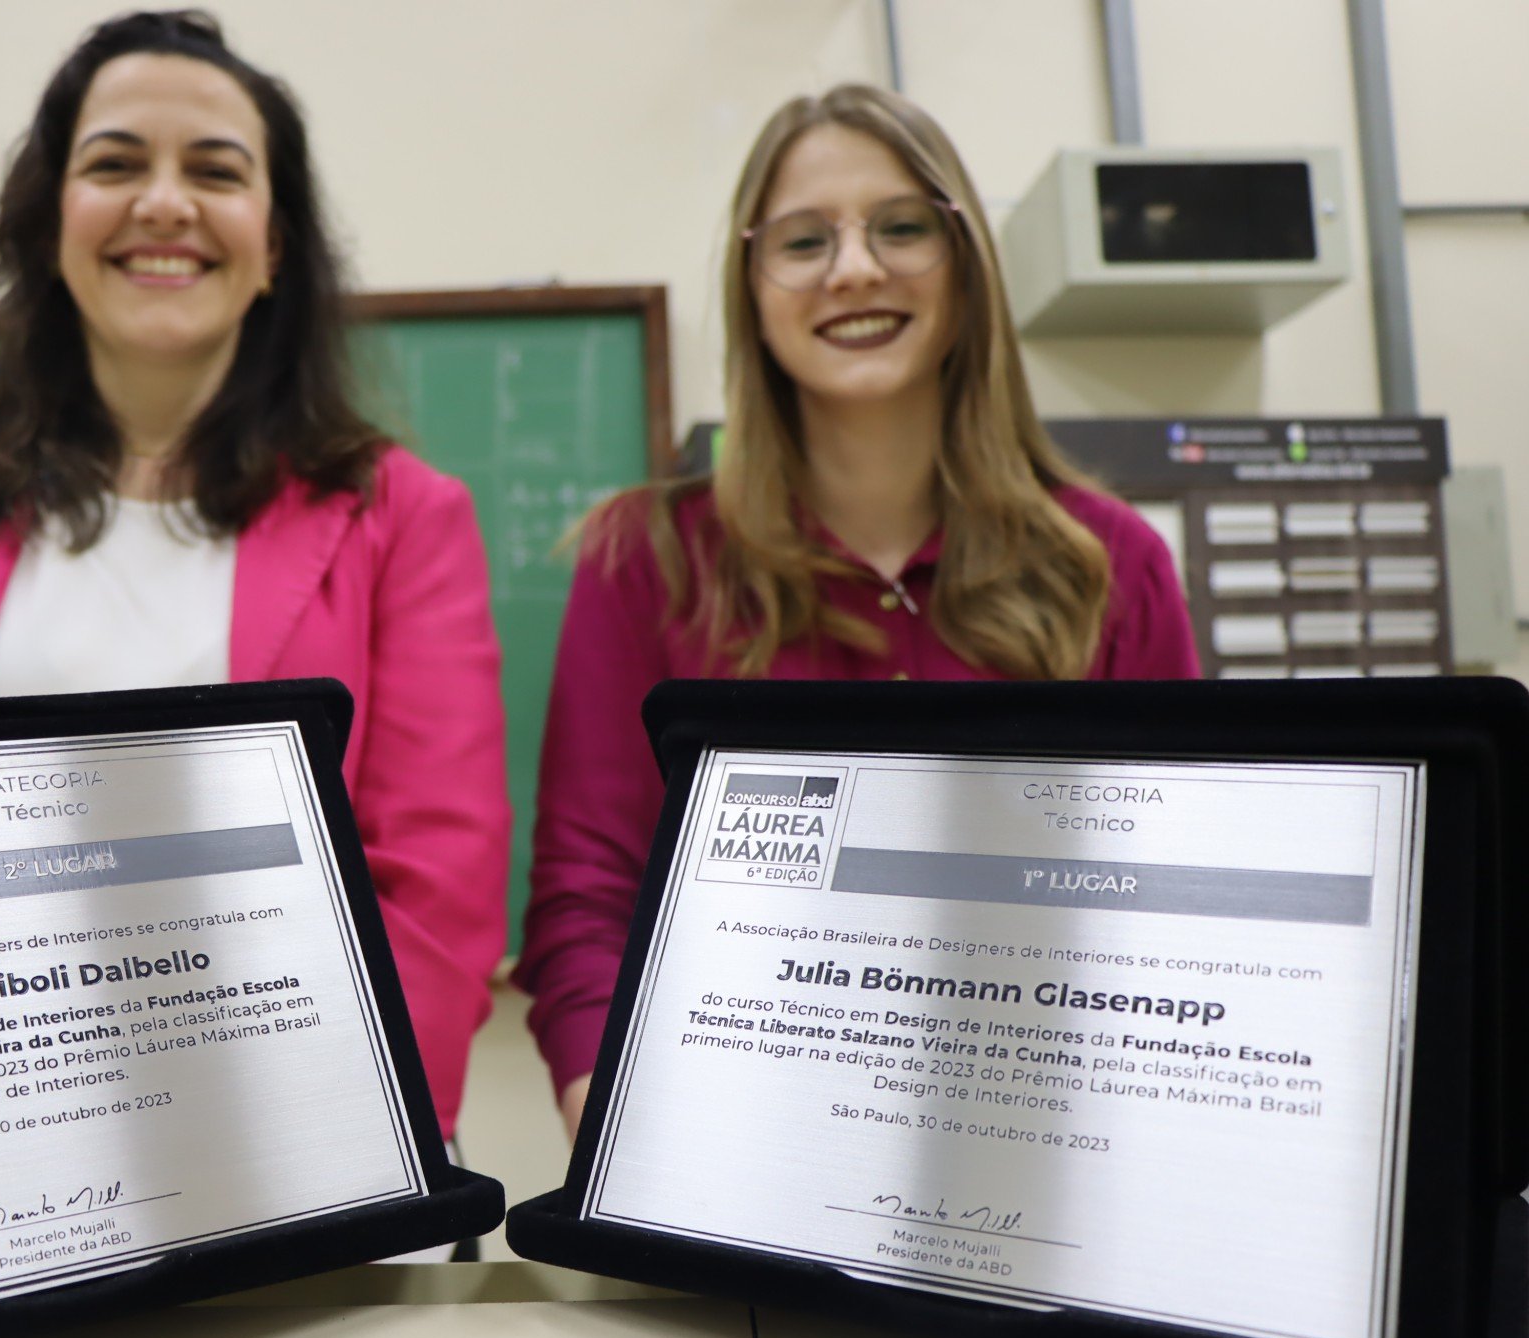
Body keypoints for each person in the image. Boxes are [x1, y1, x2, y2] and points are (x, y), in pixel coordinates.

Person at [0, 10, 508, 1141]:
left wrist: (341, 1148)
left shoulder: (403, 518)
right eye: (114, 164)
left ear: (273, 245)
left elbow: (434, 896)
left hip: (290, 1142)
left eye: (215, 172)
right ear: (50, 226)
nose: (163, 203)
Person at [513, 84, 1199, 1134]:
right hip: (739, 1135)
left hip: (1043, 1133)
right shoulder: (645, 560)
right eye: (803, 240)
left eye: (902, 227)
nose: (855, 268)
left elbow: (1169, 905)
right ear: (753, 287)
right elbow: (588, 897)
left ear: (965, 269)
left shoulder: (1113, 564)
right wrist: (619, 1125)